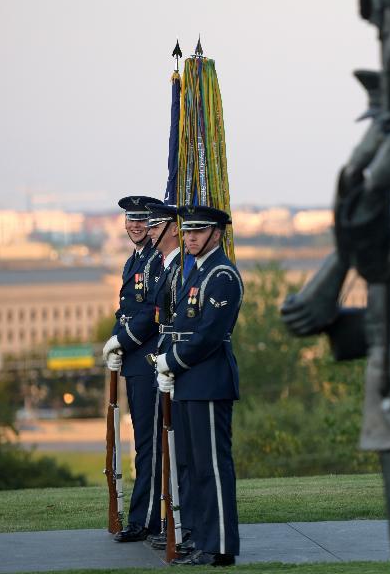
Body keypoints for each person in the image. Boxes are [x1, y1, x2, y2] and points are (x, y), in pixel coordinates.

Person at [154, 204, 243, 567]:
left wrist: (171, 361)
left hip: (208, 381)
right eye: (186, 231)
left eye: (198, 231)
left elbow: (208, 334)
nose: (189, 237)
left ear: (217, 234)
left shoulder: (221, 275)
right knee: (191, 465)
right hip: (189, 380)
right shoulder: (196, 272)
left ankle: (220, 545)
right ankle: (197, 535)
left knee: (212, 467)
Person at [102, 195, 165, 542]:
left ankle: (148, 521)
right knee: (144, 444)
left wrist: (121, 341)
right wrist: (115, 340)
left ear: (153, 224)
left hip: (149, 362)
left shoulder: (157, 261)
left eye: (142, 220)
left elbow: (152, 315)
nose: (135, 226)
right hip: (134, 364)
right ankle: (144, 518)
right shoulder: (133, 262)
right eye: (130, 220)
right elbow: (124, 311)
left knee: (149, 445)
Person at [143, 202, 194, 554]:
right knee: (165, 445)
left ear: (174, 228)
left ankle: (180, 524)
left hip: (176, 356)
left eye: (157, 223)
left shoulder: (181, 266)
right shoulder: (163, 264)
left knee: (179, 450)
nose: (149, 229)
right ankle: (171, 521)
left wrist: (171, 359)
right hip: (163, 352)